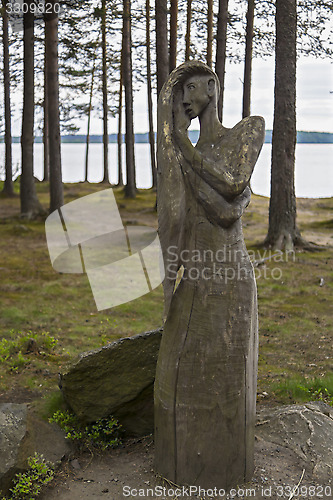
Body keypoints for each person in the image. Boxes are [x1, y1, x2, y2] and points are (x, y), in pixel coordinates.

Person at [154, 61, 265, 489]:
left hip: (230, 275)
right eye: (178, 93)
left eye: (191, 88)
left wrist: (184, 148)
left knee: (227, 378)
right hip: (195, 276)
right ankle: (180, 465)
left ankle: (225, 467)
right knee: (177, 365)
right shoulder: (183, 154)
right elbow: (195, 211)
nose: (184, 99)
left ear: (212, 88)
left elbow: (233, 187)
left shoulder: (248, 130)